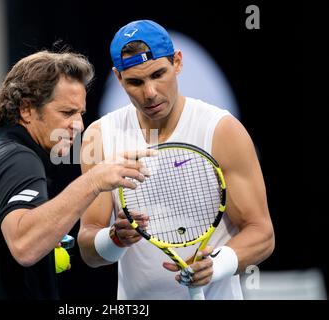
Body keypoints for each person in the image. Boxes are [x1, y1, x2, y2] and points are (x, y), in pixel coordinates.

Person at [0, 50, 154, 299]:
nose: (79, 125)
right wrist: (95, 180)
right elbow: (25, 247)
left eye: (80, 114)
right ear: (26, 109)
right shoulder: (20, 160)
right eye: (67, 112)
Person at [78, 20, 275, 299]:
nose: (150, 93)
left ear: (178, 62)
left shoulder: (222, 130)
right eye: (135, 81)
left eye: (158, 74)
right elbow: (89, 249)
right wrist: (114, 238)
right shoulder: (98, 137)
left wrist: (216, 265)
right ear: (119, 78)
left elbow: (262, 234)